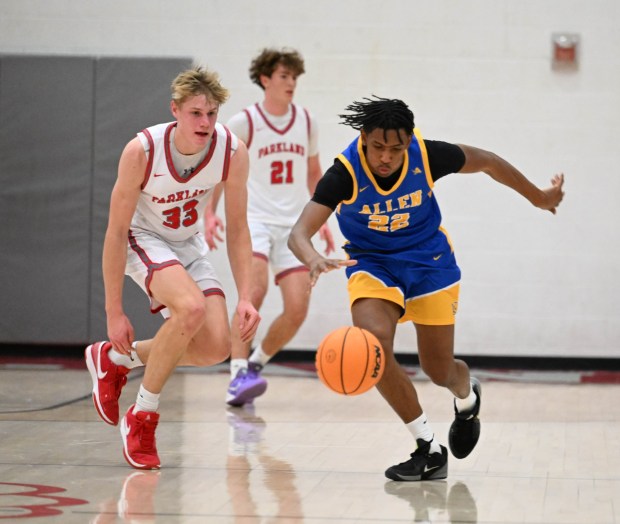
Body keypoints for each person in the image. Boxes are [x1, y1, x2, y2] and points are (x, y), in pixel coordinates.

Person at [288, 96, 565, 481]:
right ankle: (428, 448)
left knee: (439, 371)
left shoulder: (427, 155)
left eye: (396, 149)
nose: (387, 157)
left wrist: (539, 197)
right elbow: (299, 232)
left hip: (429, 262)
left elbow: (487, 161)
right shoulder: (344, 173)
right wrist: (313, 256)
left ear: (407, 143)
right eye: (379, 147)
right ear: (364, 138)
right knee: (373, 344)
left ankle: (467, 398)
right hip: (373, 263)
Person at [84, 66, 260, 470]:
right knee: (191, 309)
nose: (205, 123)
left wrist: (246, 297)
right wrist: (114, 311)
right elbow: (114, 232)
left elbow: (238, 229)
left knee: (216, 346)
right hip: (142, 238)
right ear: (175, 110)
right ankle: (142, 417)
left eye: (212, 114)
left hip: (187, 244)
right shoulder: (142, 151)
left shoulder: (231, 151)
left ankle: (116, 360)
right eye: (196, 113)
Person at [204, 48, 334, 406]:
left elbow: (313, 173)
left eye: (294, 77)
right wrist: (210, 213)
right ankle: (236, 373)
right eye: (283, 76)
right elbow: (221, 169)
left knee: (297, 308)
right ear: (265, 79)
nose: (291, 83)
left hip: (293, 226)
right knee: (255, 291)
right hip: (256, 221)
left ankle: (255, 366)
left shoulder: (307, 121)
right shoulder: (245, 122)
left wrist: (320, 220)